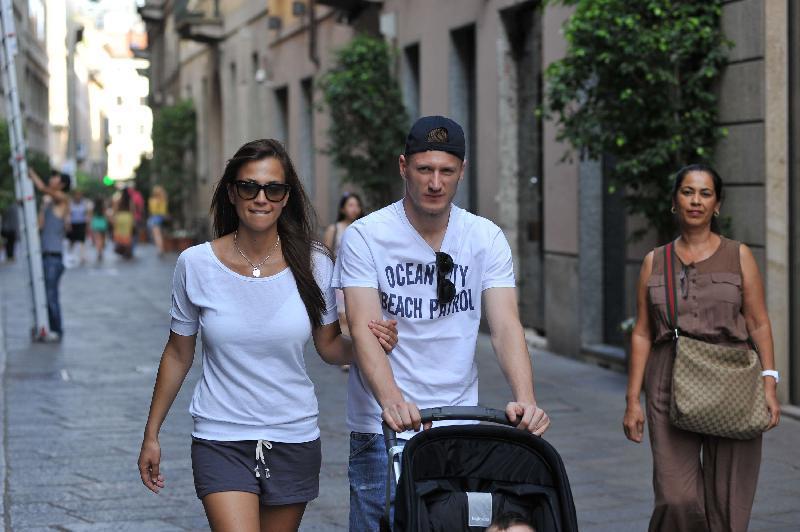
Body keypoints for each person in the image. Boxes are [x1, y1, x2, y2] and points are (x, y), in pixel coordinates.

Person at [137, 139, 399, 532]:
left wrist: (367, 345)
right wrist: (151, 434)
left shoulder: (314, 263)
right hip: (221, 435)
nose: (261, 198)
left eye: (273, 189)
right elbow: (178, 353)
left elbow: (329, 346)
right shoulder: (196, 264)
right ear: (232, 192)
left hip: (293, 434)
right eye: (249, 187)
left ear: (286, 196)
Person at [333, 116, 550, 531]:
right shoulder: (366, 236)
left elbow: (506, 324)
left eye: (446, 171)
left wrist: (526, 399)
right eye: (425, 169)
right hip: (382, 426)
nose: (435, 183)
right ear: (403, 167)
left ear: (461, 171)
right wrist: (393, 402)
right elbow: (363, 327)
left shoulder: (485, 237)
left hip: (459, 423)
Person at [622, 164, 781, 532]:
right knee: (675, 496)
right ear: (675, 201)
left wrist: (769, 382)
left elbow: (758, 322)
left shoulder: (739, 255)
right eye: (688, 192)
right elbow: (642, 332)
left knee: (729, 499)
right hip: (669, 376)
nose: (696, 200)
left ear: (717, 204)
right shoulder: (654, 261)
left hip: (733, 377)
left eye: (705, 193)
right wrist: (632, 400)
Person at [28, 168, 71, 342]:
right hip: (44, 255)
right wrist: (43, 207)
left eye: (55, 178)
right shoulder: (50, 203)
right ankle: (45, 328)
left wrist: (32, 173)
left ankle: (56, 330)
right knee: (43, 295)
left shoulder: (63, 199)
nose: (51, 179)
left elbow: (42, 188)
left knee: (50, 296)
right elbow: (40, 226)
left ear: (62, 184)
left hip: (53, 257)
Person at [324, 192, 365, 370]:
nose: (354, 209)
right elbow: (325, 255)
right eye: (350, 205)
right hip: (338, 279)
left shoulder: (364, 228)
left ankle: (358, 351)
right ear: (342, 208)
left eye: (357, 205)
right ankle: (348, 357)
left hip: (359, 279)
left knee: (356, 316)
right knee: (343, 318)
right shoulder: (334, 229)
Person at [67, 189, 90, 264]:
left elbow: (87, 214)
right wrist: (68, 224)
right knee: (72, 240)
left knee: (82, 240)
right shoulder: (71, 203)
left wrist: (87, 225)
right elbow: (69, 214)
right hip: (73, 223)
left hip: (81, 223)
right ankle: (71, 254)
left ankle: (82, 256)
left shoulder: (84, 203)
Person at [113, 189, 135, 259]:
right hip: (128, 217)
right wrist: (133, 219)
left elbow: (115, 209)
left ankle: (122, 249)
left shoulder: (118, 199)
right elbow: (132, 210)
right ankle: (127, 250)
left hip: (120, 217)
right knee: (127, 234)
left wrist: (115, 217)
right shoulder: (130, 200)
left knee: (120, 234)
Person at [148, 185, 168, 256]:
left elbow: (151, 210)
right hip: (161, 218)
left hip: (154, 218)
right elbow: (163, 211)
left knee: (156, 235)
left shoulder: (152, 200)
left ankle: (160, 249)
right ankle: (161, 248)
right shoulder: (163, 200)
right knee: (159, 234)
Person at [89, 196, 109, 262]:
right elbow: (105, 215)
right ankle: (100, 250)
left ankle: (99, 251)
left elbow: (91, 216)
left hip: (96, 223)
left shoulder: (93, 208)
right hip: (102, 223)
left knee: (98, 239)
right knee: (102, 238)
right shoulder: (103, 207)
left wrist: (90, 224)